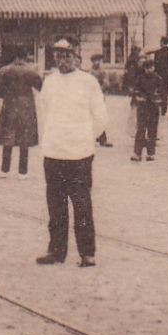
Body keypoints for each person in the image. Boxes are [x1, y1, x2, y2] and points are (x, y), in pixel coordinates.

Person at [34, 39, 107, 267]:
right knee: (56, 205)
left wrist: (86, 138)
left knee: (82, 203)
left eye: (66, 55)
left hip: (80, 155)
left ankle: (87, 253)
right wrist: (48, 140)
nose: (62, 60)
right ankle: (56, 251)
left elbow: (101, 117)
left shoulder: (88, 82)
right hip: (54, 152)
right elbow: (43, 114)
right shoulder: (50, 82)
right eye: (57, 55)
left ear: (76, 56)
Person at [0, 48, 41, 179]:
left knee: (8, 136)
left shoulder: (5, 70)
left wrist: (6, 93)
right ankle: (22, 172)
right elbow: (41, 87)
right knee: (24, 137)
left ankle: (5, 169)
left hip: (10, 104)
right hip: (26, 106)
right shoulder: (31, 70)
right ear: (25, 57)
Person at [127, 50, 167, 163]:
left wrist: (161, 104)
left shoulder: (158, 79)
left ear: (154, 67)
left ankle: (151, 153)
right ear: (144, 68)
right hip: (143, 108)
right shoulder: (140, 79)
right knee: (140, 130)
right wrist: (138, 98)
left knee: (152, 131)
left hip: (153, 108)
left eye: (151, 67)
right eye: (147, 68)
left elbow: (163, 93)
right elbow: (135, 91)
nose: (149, 70)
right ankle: (137, 153)